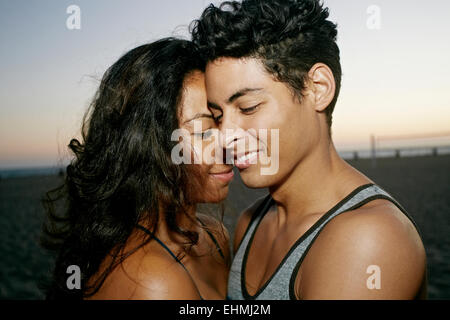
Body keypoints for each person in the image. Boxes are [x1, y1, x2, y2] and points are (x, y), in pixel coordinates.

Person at [191, 0, 427, 299]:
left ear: (318, 88)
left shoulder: (369, 238)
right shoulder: (250, 222)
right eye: (219, 115)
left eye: (248, 107)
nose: (224, 137)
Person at [41, 38, 233, 300]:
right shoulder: (153, 280)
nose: (228, 144)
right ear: (149, 145)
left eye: (223, 124)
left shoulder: (216, 236)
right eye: (202, 132)